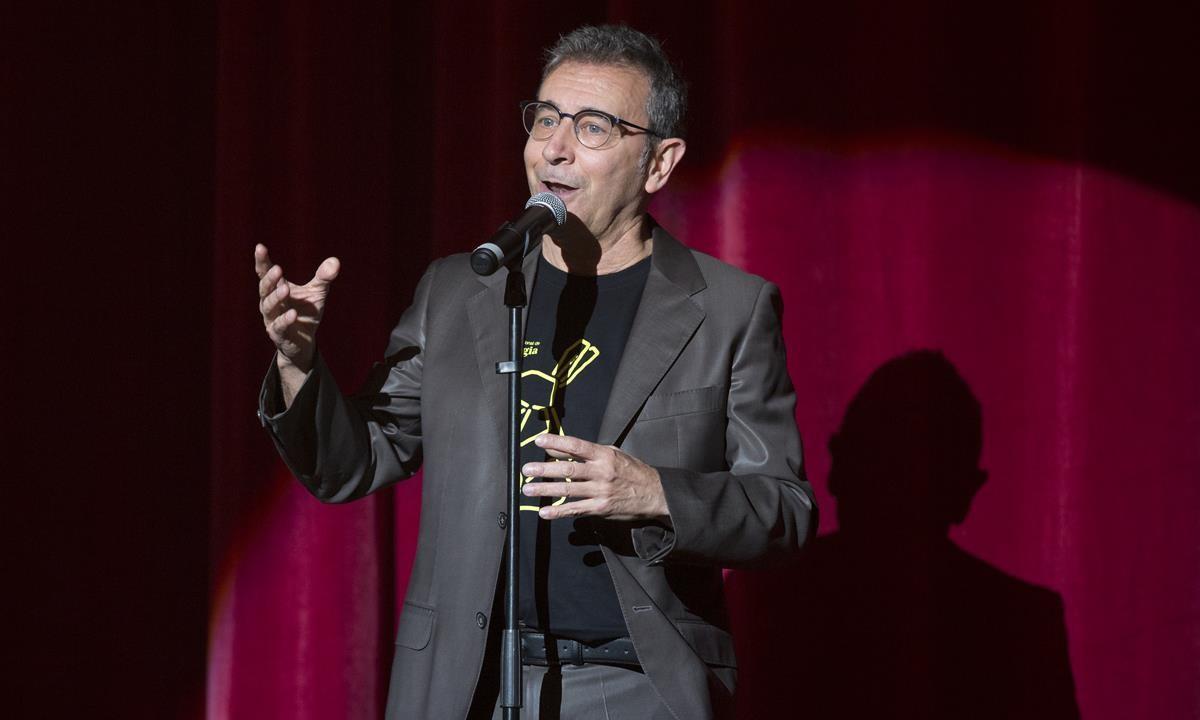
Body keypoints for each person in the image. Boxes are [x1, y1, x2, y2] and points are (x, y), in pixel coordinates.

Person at [254, 25, 814, 720]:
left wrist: (653, 492)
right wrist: (297, 363)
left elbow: (784, 512)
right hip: (465, 686)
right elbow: (357, 460)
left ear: (660, 163)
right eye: (545, 119)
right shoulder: (459, 291)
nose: (555, 147)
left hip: (631, 683)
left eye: (593, 127)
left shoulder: (729, 309)